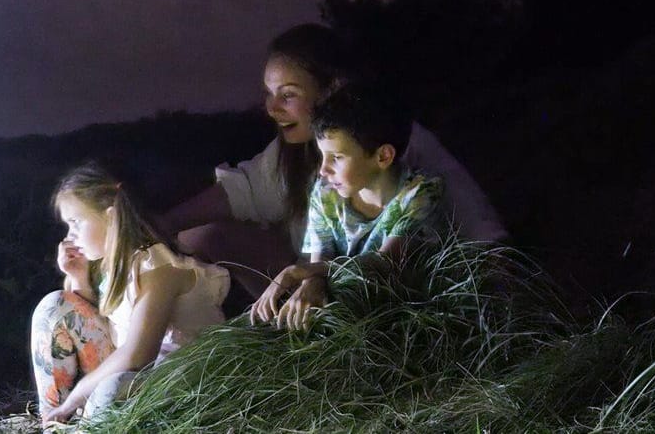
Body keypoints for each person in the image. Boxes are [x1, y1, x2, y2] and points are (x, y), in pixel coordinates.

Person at [158, 24, 506, 297]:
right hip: (329, 276)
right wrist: (159, 225)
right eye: (268, 94)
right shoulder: (297, 156)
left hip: (400, 284)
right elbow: (245, 190)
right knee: (200, 237)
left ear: (331, 88)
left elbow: (479, 228)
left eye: (288, 95)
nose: (272, 108)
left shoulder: (393, 143)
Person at [30, 162, 230, 425]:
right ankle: (55, 424)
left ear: (111, 216)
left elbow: (138, 354)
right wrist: (77, 277)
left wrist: (76, 397)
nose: (71, 236)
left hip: (183, 380)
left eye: (76, 222)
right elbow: (102, 325)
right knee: (54, 307)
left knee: (111, 389)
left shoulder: (158, 266)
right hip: (140, 374)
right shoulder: (114, 265)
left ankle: (81, 422)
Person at [250, 83, 449, 330]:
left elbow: (385, 263)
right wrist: (310, 280)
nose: (323, 169)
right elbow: (319, 262)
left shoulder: (420, 193)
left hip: (403, 316)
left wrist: (298, 272)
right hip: (347, 310)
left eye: (337, 157)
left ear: (383, 156)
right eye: (323, 156)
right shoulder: (326, 192)